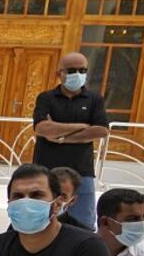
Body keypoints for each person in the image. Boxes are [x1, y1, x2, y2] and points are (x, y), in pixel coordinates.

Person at [32, 52, 109, 230]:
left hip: (81, 171)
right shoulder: (46, 98)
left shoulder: (94, 99)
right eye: (72, 70)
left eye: (82, 70)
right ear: (59, 74)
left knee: (83, 225)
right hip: (47, 169)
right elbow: (42, 128)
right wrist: (82, 126)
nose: (78, 74)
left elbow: (101, 130)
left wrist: (60, 137)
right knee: (42, 220)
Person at [50, 166, 89, 230]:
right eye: (52, 193)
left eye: (62, 196)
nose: (57, 200)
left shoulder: (82, 233)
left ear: (72, 200)